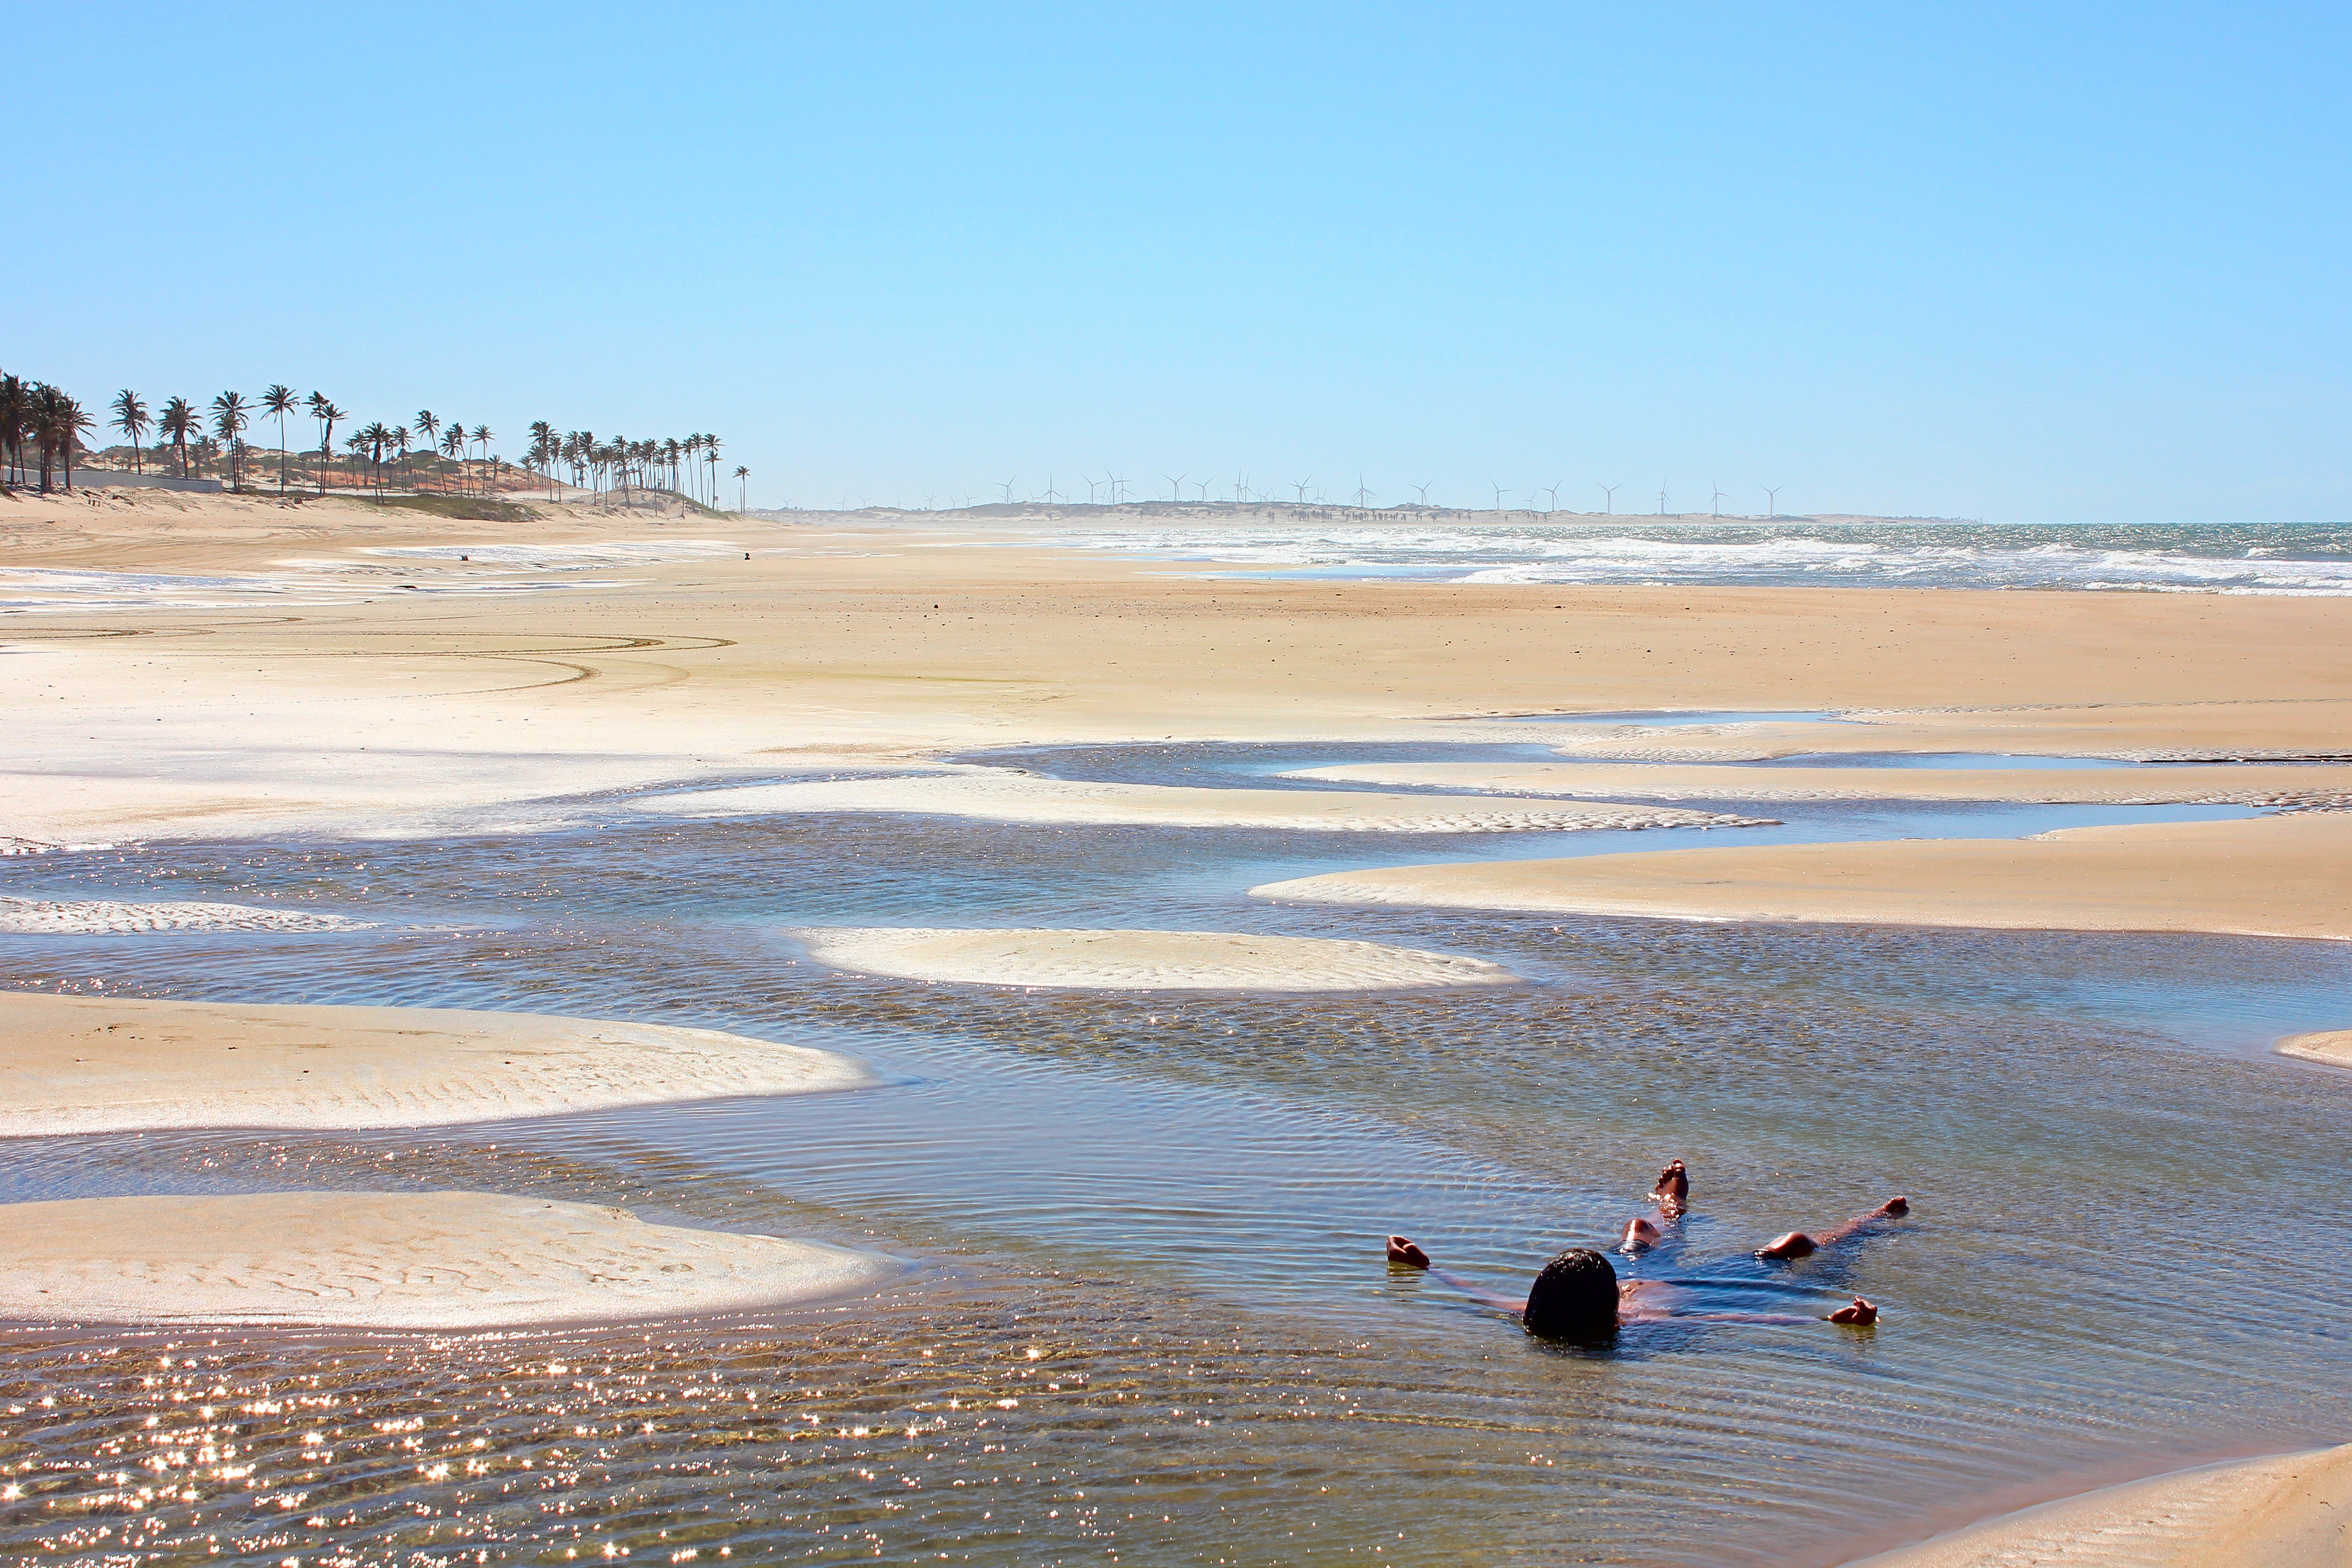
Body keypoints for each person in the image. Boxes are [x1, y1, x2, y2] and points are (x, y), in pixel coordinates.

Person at [1386, 1168, 1905, 1338]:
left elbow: (1479, 1296)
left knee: (1639, 1228)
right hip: (1704, 1286)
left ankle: (1670, 1201)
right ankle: (1873, 1222)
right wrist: (1825, 1321)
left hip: (1643, 1271)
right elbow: (1738, 1315)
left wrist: (1428, 1268)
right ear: (1613, 1311)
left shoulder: (1538, 1313)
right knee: (1793, 1244)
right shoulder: (1642, 1322)